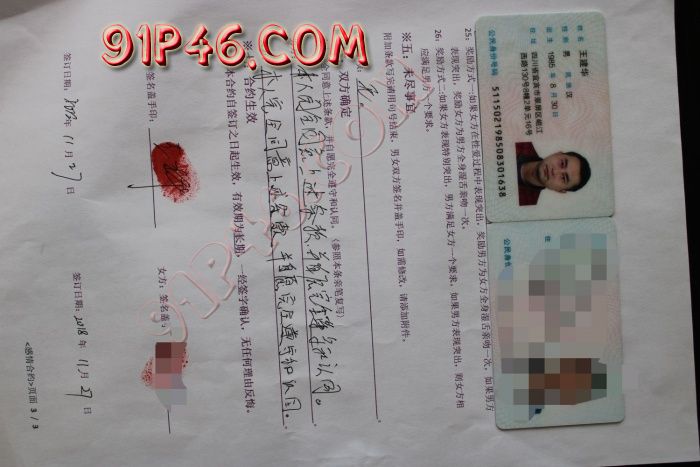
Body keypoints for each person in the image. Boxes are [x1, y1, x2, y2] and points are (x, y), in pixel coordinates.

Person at [515, 142, 591, 206]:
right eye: (562, 163)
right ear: (557, 154)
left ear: (559, 190)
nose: (555, 171)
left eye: (563, 178)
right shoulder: (520, 142)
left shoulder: (526, 206)